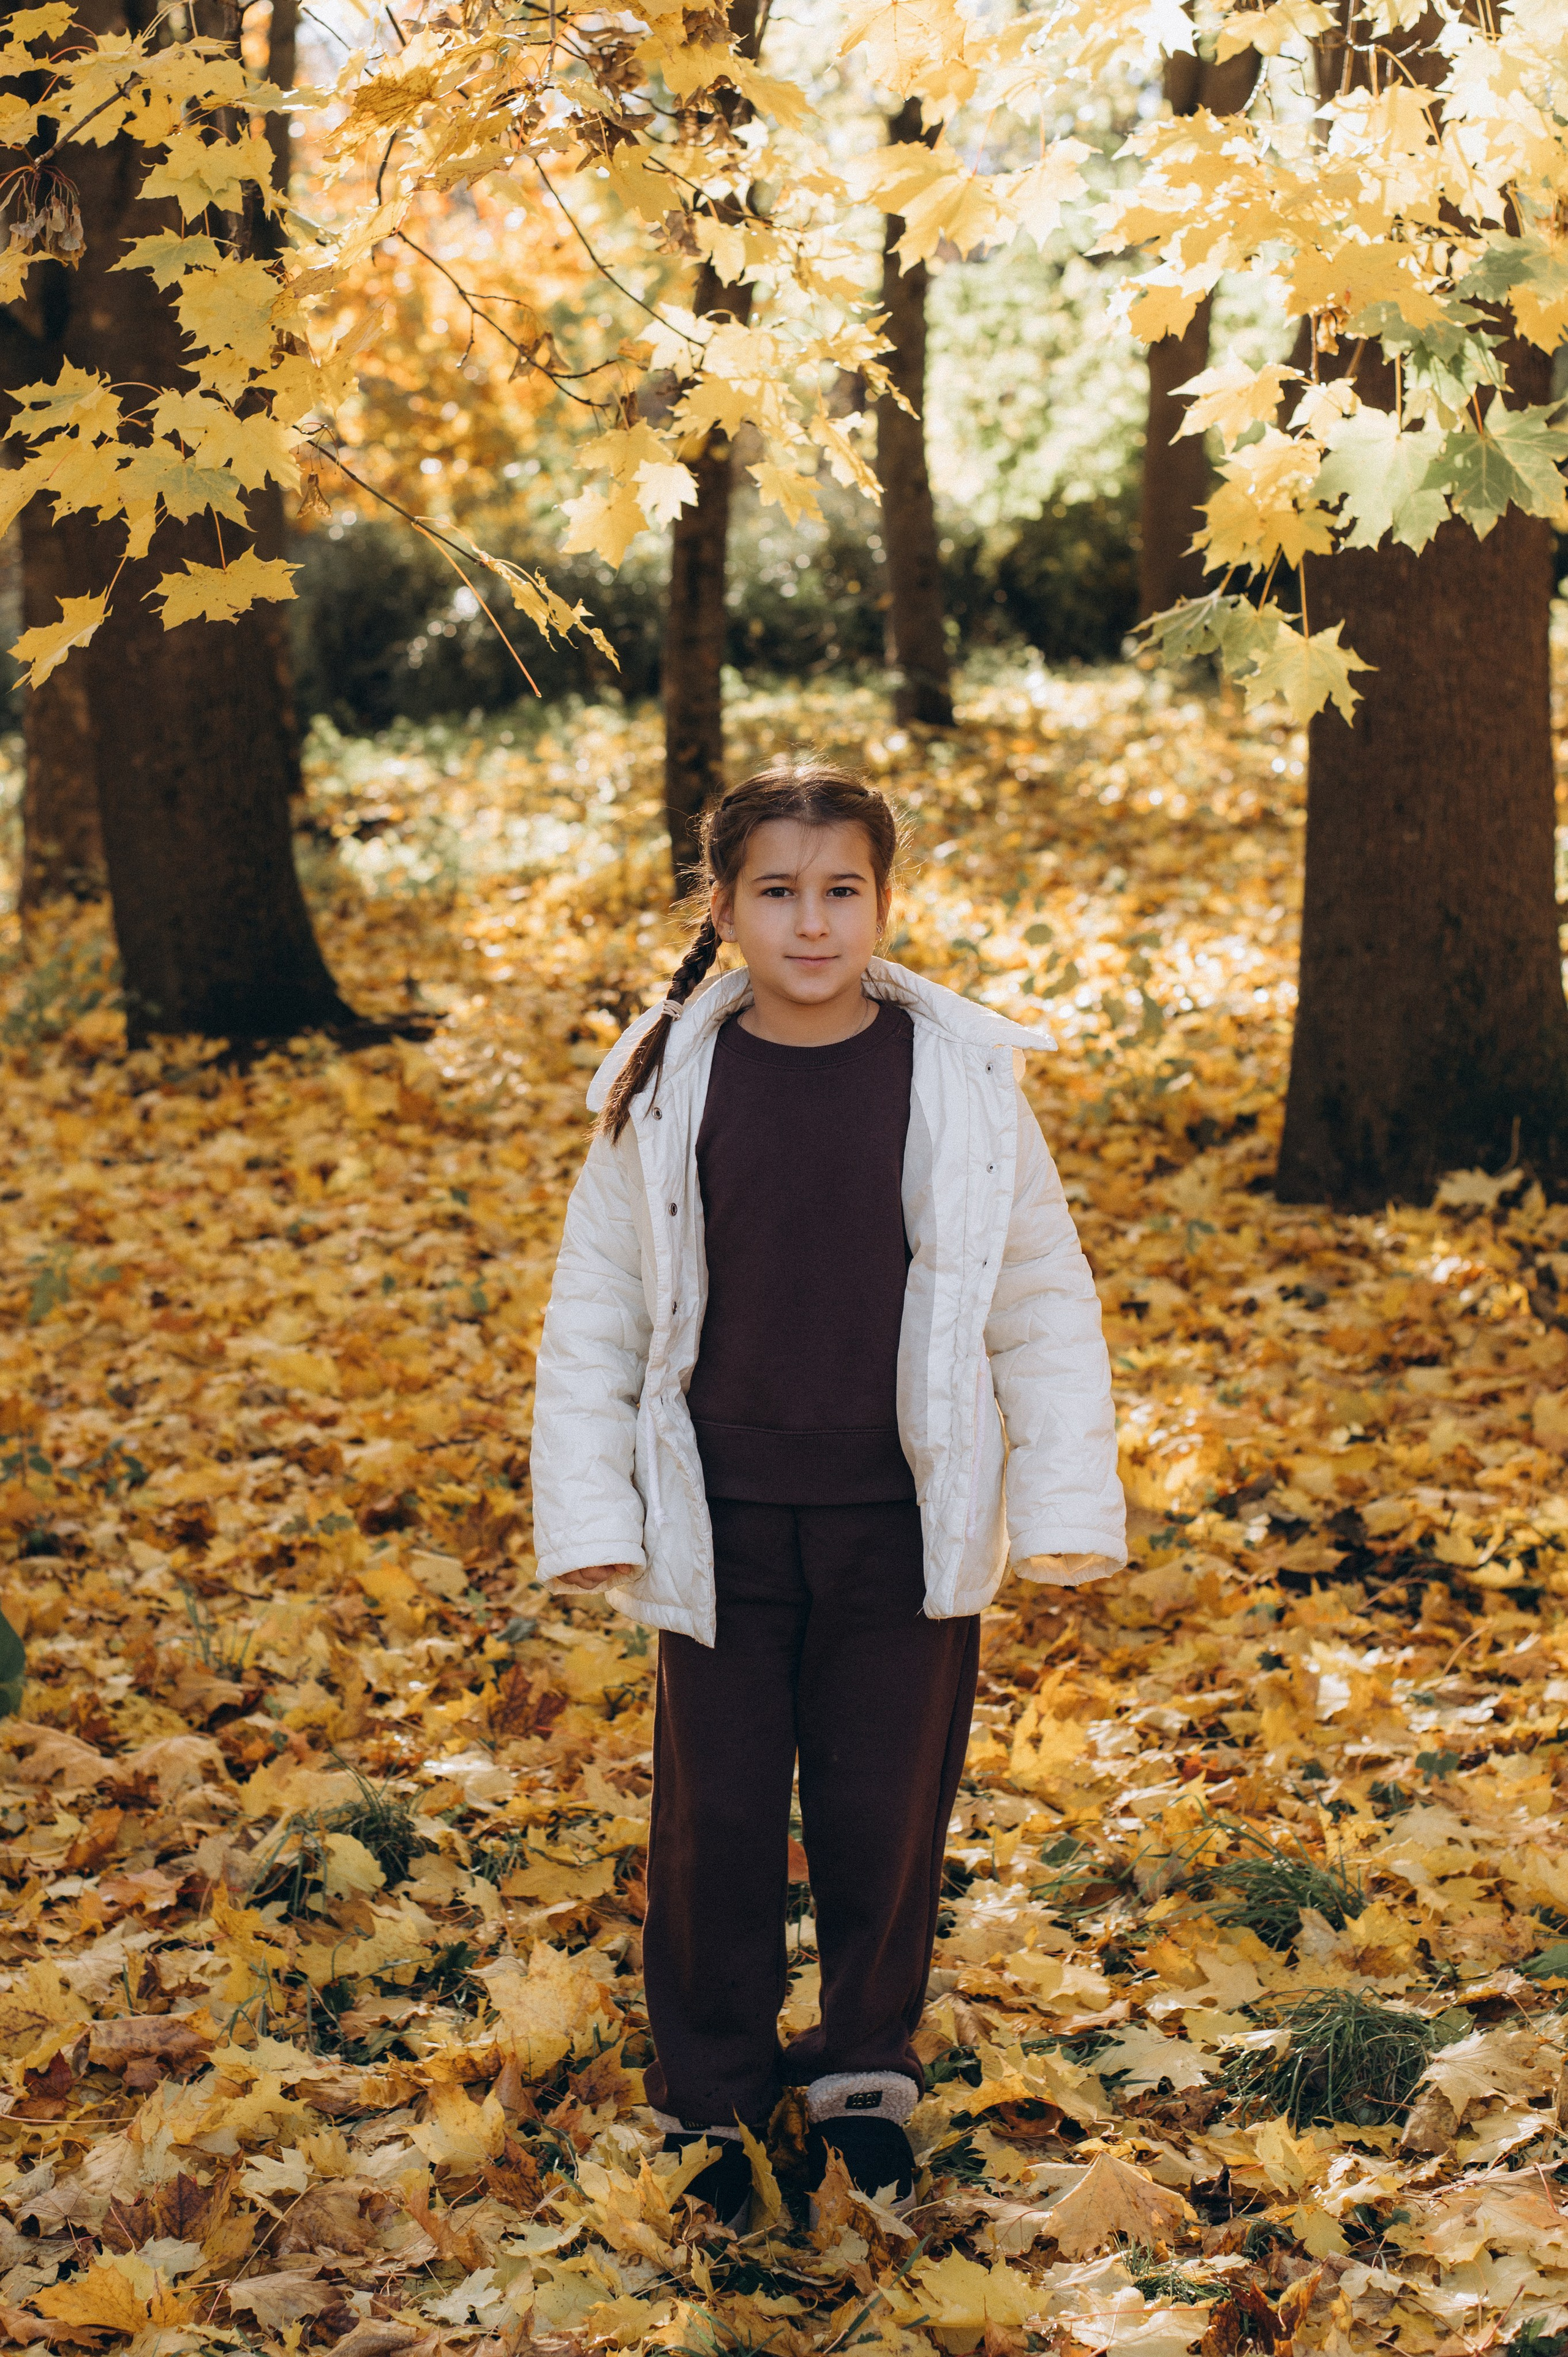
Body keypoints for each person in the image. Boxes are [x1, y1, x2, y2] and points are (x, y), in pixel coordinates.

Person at [530, 757, 1124, 2225]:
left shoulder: (961, 1081)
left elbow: (1037, 1296)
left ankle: (865, 2067)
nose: (811, 923)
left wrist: (1059, 1499)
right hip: (718, 1522)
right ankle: (713, 2089)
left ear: (883, 902)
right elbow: (595, 1310)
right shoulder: (665, 1081)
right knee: (716, 1814)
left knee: (882, 1808)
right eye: (778, 893)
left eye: (841, 891)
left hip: (898, 1523)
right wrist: (594, 1515)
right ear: (722, 906)